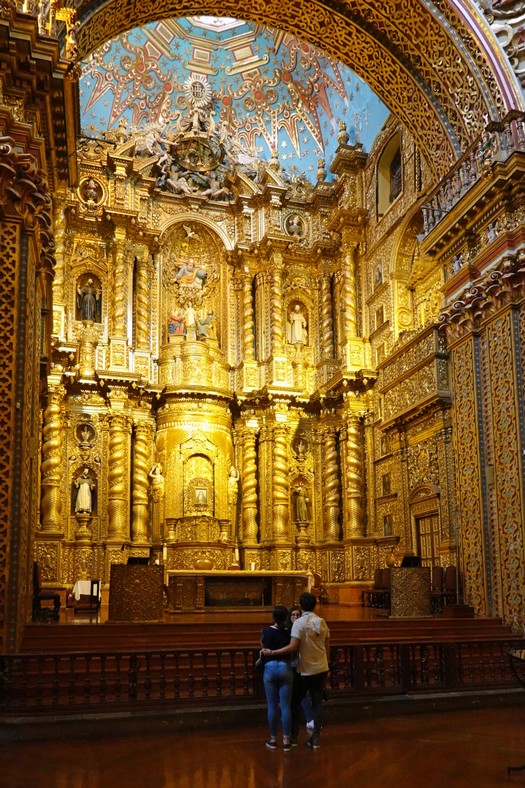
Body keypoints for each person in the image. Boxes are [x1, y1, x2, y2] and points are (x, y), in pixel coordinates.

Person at [262, 592, 329, 749]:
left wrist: (273, 652)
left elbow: (292, 647)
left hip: (305, 669)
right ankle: (316, 739)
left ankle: (292, 737)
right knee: (317, 704)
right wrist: (327, 664)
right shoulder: (321, 621)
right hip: (321, 667)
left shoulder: (299, 623)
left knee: (293, 702)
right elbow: (327, 646)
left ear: (301, 605)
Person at [259, 605, 294, 752]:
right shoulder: (289, 632)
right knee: (286, 706)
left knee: (272, 706)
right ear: (286, 617)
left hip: (270, 667)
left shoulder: (265, 631)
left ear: (273, 617)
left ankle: (273, 739)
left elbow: (262, 646)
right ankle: (286, 740)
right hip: (286, 667)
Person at [288, 606, 314, 741]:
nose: (295, 618)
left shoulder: (304, 629)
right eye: (292, 615)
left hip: (302, 666)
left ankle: (309, 719)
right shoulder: (288, 631)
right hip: (291, 667)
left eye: (297, 615)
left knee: (303, 694)